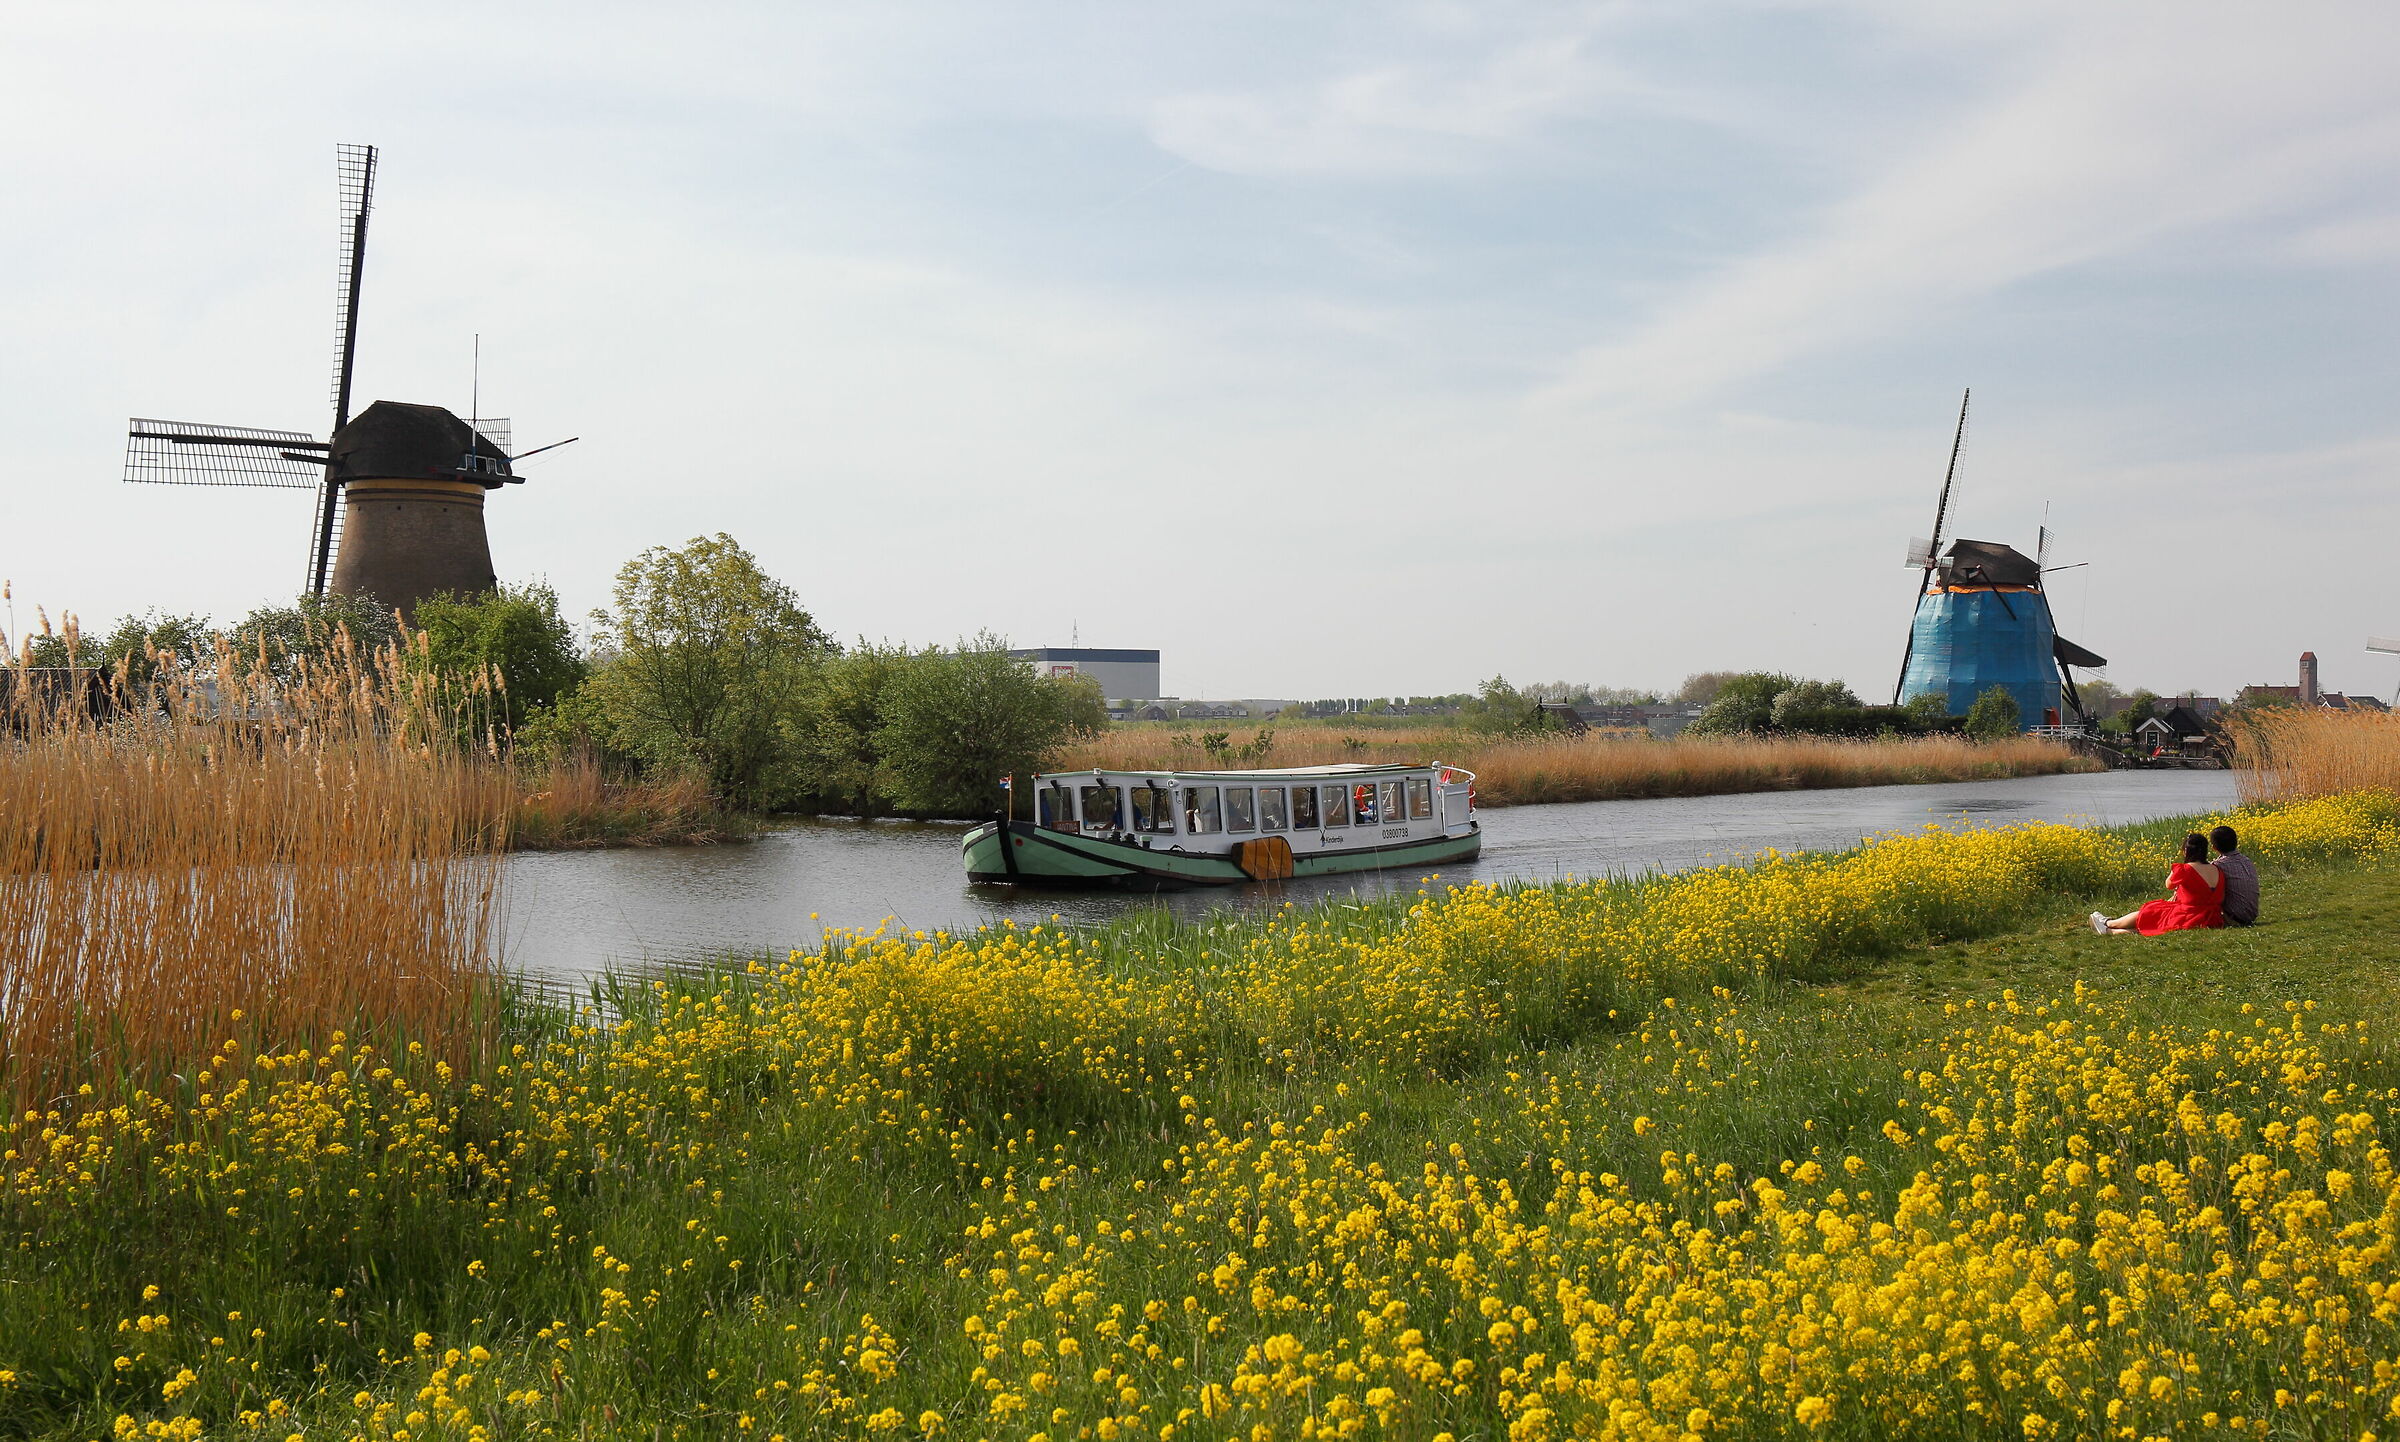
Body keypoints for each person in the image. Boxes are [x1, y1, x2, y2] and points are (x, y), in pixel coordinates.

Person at [2091, 833, 2224, 935]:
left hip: (2190, 916)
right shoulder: (2217, 869)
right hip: (2213, 918)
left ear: (2186, 851)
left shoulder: (2184, 869)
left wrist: (2181, 868)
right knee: (2157, 913)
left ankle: (2109, 924)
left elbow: (2169, 884)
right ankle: (2109, 928)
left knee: (2151, 910)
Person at [2211, 824, 2259, 926]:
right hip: (2251, 915)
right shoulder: (2246, 860)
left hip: (2234, 917)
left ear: (2214, 848)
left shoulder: (2219, 865)